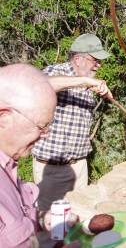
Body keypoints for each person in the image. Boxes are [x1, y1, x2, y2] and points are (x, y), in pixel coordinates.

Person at [0, 64, 81, 247]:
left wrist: (44, 219)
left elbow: (17, 219)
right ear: (4, 118)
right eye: (41, 126)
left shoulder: (8, 163)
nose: (46, 134)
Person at [32, 33, 113, 212]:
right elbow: (41, 84)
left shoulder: (88, 82)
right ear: (78, 59)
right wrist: (84, 81)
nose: (99, 65)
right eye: (95, 60)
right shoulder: (56, 72)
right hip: (51, 169)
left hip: (79, 166)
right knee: (50, 225)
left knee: (79, 220)